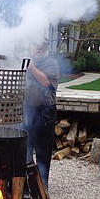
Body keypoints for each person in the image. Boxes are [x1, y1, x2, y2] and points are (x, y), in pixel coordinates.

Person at [22, 41, 59, 189]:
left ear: (46, 49)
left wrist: (30, 66)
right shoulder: (26, 62)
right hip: (27, 110)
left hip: (45, 112)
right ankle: (27, 186)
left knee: (43, 153)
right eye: (35, 45)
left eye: (41, 46)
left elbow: (45, 82)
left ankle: (43, 188)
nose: (38, 48)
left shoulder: (52, 64)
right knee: (25, 150)